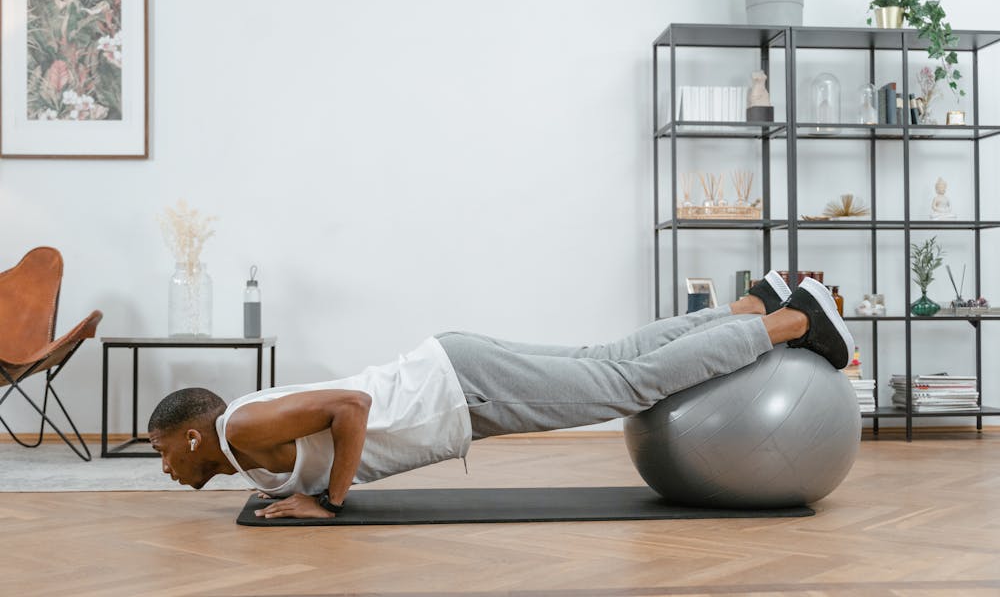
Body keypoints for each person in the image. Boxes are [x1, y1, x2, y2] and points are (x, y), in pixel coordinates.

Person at [149, 272, 852, 519]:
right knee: (610, 361)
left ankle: (792, 322)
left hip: (462, 389)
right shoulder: (241, 437)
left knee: (627, 384)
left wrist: (328, 502)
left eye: (162, 452)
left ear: (192, 435)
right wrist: (297, 488)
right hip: (455, 373)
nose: (165, 467)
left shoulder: (240, 429)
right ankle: (749, 305)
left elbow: (349, 409)